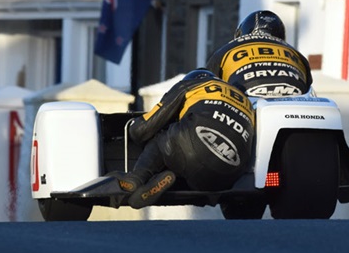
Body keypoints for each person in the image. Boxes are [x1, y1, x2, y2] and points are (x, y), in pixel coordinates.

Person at [109, 69, 255, 209]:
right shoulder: (246, 102)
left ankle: (137, 179)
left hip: (192, 145)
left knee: (164, 138)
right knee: (188, 160)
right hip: (228, 176)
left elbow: (142, 129)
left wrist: (133, 129)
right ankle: (165, 180)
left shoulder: (192, 85)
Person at [206, 10, 312, 98]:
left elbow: (207, 85)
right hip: (293, 104)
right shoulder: (297, 54)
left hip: (247, 102)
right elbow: (309, 89)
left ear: (241, 32)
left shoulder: (226, 50)